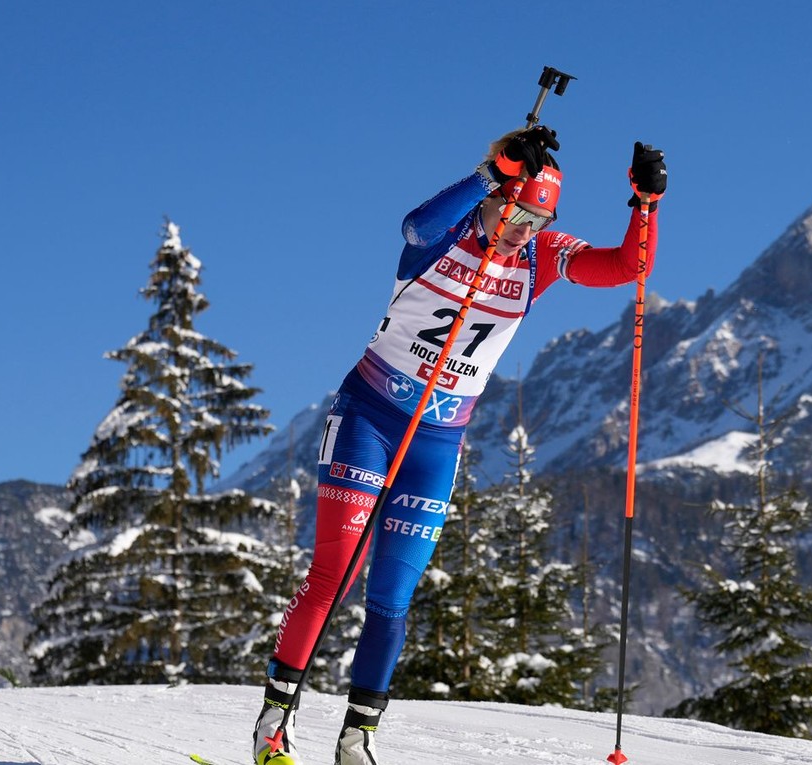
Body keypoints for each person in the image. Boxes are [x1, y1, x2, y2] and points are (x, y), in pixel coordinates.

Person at [252, 125, 668, 765]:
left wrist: (644, 206)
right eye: (516, 210)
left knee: (392, 596)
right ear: (495, 198)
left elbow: (626, 267)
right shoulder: (445, 235)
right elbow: (414, 227)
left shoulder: (539, 257)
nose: (523, 228)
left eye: (538, 217)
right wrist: (491, 170)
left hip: (438, 440)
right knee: (334, 576)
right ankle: (273, 728)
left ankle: (357, 738)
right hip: (372, 416)